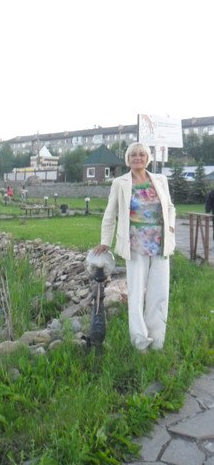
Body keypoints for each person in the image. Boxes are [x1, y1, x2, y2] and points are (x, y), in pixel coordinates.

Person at [93, 142, 176, 351]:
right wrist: (105, 241)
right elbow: (109, 214)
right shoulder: (120, 183)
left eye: (141, 154)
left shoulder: (160, 180)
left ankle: (157, 342)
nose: (137, 157)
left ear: (147, 158)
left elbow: (169, 207)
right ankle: (140, 342)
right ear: (128, 159)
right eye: (133, 155)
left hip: (160, 245)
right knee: (136, 295)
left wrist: (171, 227)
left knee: (159, 294)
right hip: (135, 245)